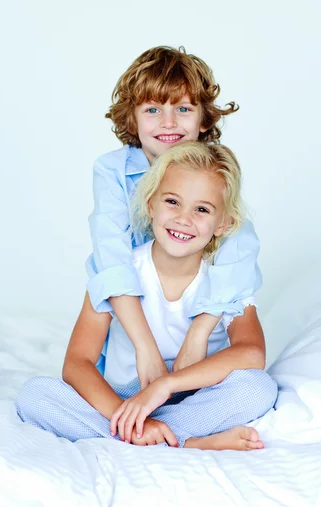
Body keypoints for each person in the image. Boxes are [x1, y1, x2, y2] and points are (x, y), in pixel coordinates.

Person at [16, 142, 277, 451]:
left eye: (202, 209)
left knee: (259, 388)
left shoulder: (226, 279)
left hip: (194, 399)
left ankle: (147, 437)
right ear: (150, 204)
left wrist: (167, 385)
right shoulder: (118, 272)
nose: (184, 219)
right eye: (172, 202)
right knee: (34, 395)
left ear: (224, 224)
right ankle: (178, 440)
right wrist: (125, 413)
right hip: (124, 400)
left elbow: (252, 354)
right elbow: (77, 363)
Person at [87, 45, 263, 390]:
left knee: (254, 389)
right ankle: (146, 417)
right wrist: (145, 348)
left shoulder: (214, 173)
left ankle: (172, 426)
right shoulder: (113, 171)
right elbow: (111, 258)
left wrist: (198, 336)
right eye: (152, 109)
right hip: (133, 330)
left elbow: (239, 249)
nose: (168, 123)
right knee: (49, 395)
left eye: (183, 109)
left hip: (190, 327)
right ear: (132, 118)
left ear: (203, 119)